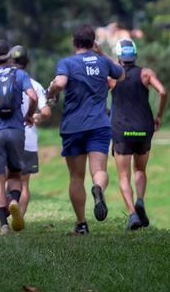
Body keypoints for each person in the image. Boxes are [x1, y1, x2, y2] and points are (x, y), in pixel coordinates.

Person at [47, 25, 124, 235]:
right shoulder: (102, 62)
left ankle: (81, 224)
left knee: (76, 177)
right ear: (93, 42)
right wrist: (101, 53)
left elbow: (61, 82)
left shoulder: (67, 63)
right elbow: (121, 74)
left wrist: (52, 90)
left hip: (73, 127)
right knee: (99, 170)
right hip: (99, 124)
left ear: (74, 43)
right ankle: (98, 189)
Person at [110, 38, 168, 231]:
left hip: (121, 129)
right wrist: (159, 116)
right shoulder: (146, 73)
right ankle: (141, 201)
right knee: (140, 170)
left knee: (123, 176)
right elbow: (163, 92)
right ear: (134, 54)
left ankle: (133, 214)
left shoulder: (112, 77)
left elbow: (98, 94)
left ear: (119, 55)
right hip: (144, 128)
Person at [0, 39, 37, 235]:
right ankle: (14, 201)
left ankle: (3, 225)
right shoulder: (20, 74)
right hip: (17, 131)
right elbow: (32, 96)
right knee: (16, 174)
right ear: (9, 56)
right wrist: (29, 115)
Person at [9, 45, 50, 216]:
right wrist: (36, 117)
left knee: (8, 178)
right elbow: (47, 111)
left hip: (7, 135)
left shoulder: (1, 80)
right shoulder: (35, 85)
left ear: (10, 60)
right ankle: (20, 219)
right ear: (26, 63)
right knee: (24, 183)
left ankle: (10, 203)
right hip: (28, 139)